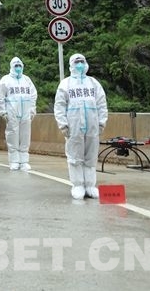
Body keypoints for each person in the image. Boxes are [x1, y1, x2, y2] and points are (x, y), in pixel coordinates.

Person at [54, 53, 108, 200]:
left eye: (82, 62)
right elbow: (59, 105)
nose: (79, 65)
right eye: (77, 62)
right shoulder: (66, 84)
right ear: (71, 65)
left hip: (92, 125)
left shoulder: (93, 83)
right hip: (74, 125)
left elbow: (101, 103)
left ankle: (90, 185)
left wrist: (102, 121)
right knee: (75, 155)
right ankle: (78, 185)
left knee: (91, 155)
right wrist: (63, 124)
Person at [0, 56, 37, 171]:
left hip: (26, 113)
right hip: (12, 113)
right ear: (12, 67)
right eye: (16, 66)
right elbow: (0, 97)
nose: (18, 68)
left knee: (25, 137)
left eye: (19, 65)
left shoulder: (27, 80)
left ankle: (24, 161)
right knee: (12, 137)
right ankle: (14, 161)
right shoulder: (6, 80)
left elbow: (33, 95)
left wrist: (32, 109)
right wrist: (3, 112)